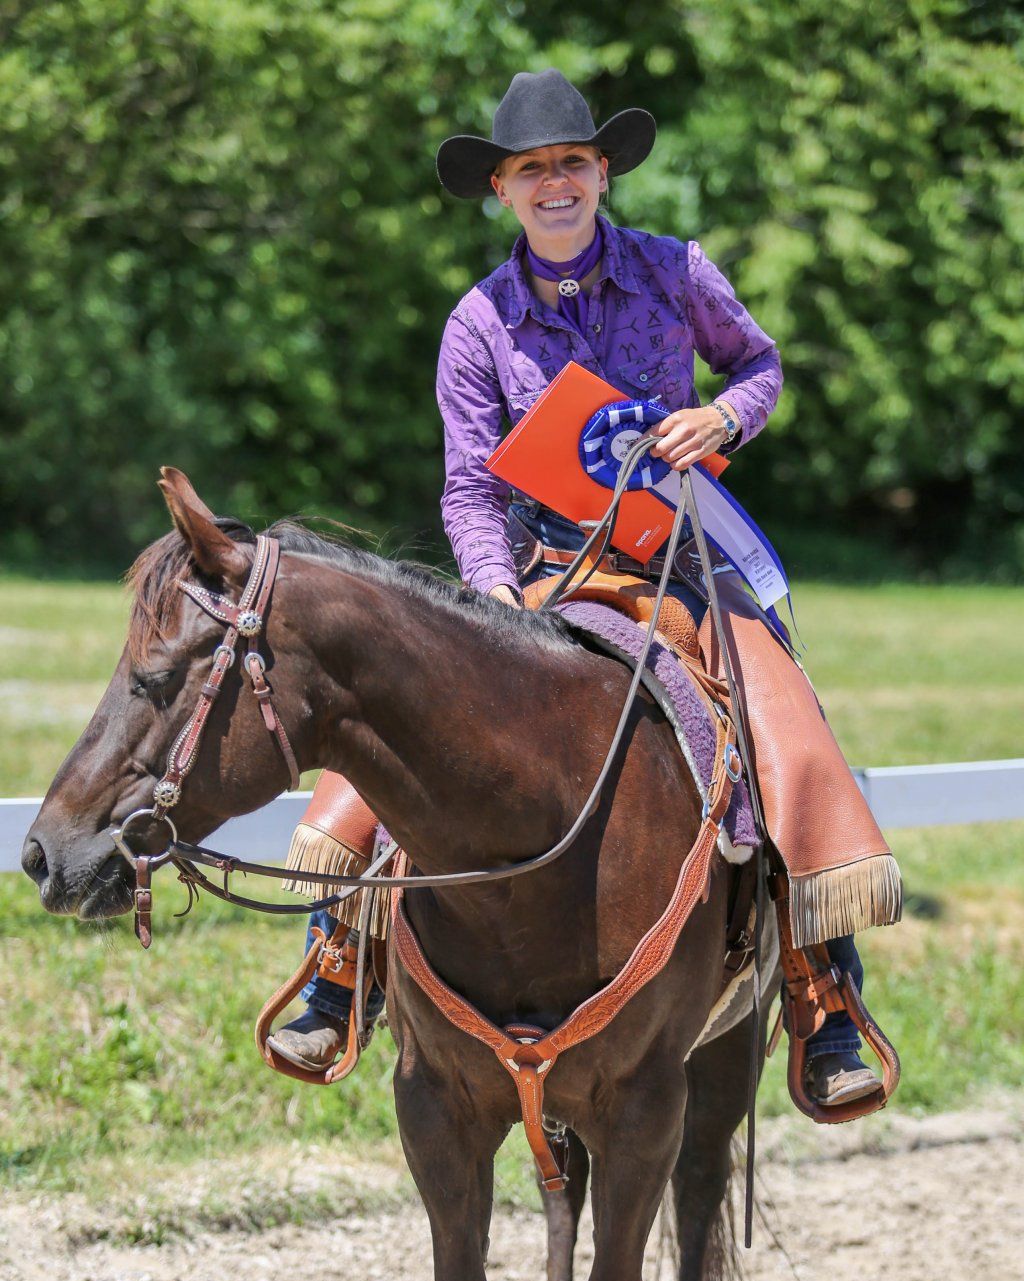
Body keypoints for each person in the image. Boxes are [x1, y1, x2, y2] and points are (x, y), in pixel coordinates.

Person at [269, 69, 891, 1108]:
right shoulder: (477, 322)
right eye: (530, 171)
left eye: (570, 163)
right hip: (537, 574)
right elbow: (468, 484)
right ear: (501, 193)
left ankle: (820, 992)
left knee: (783, 716)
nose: (553, 183)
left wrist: (724, 420)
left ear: (601, 173)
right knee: (389, 718)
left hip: (675, 562)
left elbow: (760, 367)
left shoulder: (676, 271)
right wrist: (493, 594)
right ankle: (339, 962)